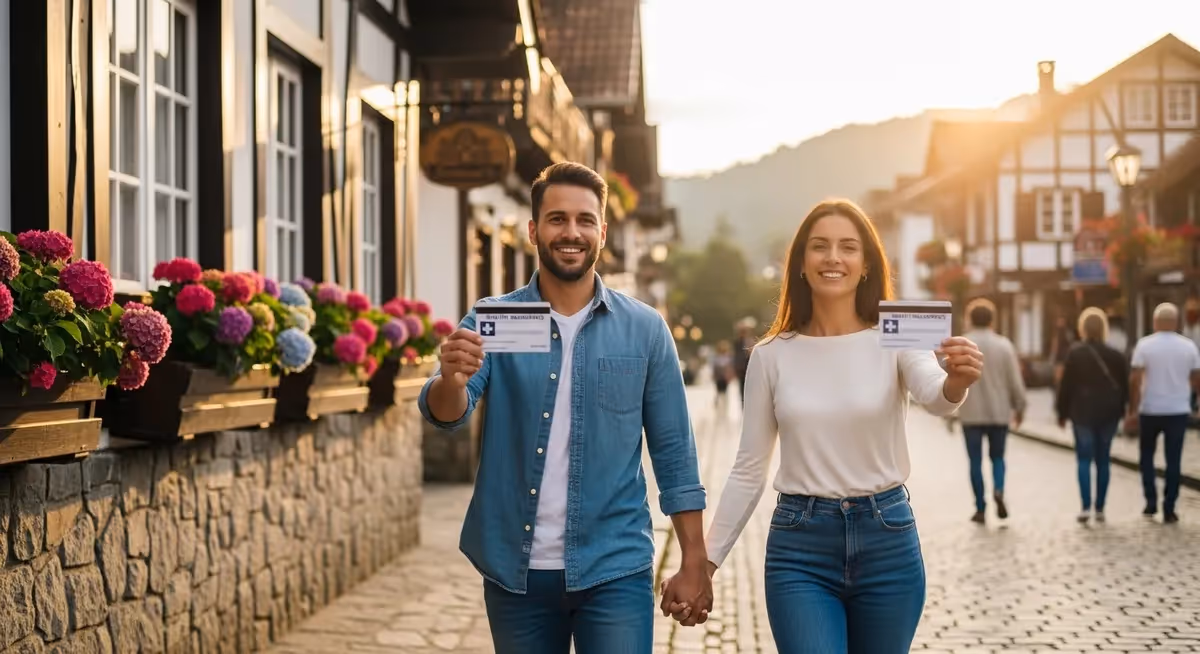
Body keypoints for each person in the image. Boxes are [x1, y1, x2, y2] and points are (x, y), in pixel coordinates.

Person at [662, 199, 983, 653]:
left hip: (887, 540)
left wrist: (956, 381)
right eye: (820, 247)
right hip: (800, 549)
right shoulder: (771, 355)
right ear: (801, 264)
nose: (834, 257)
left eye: (848, 247)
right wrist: (703, 563)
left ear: (867, 264)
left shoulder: (896, 331)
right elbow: (749, 468)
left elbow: (936, 394)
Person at [419, 162, 712, 653]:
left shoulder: (644, 329)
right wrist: (450, 379)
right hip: (516, 572)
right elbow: (449, 412)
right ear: (533, 230)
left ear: (602, 230)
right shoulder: (498, 318)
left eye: (584, 220)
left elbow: (674, 452)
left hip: (614, 566)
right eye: (556, 219)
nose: (570, 232)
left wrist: (694, 558)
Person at [1055, 308, 1128, 523]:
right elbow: (1124, 387)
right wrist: (1123, 410)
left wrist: (1061, 412)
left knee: (1084, 459)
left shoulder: (1075, 354)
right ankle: (1101, 508)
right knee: (1104, 460)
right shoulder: (1116, 355)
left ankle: (1085, 506)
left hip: (1082, 413)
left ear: (1083, 328)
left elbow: (1065, 386)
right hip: (1109, 414)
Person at [1129, 302, 1200, 524]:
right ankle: (1169, 507)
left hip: (1150, 409)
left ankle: (1150, 501)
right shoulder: (1188, 346)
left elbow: (1136, 378)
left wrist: (1133, 408)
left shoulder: (1145, 345)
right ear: (1176, 322)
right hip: (1177, 410)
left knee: (1147, 457)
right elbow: (1197, 378)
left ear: (1155, 322)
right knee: (1174, 460)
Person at [957, 299, 1026, 524]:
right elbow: (1015, 380)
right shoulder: (1004, 345)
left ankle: (980, 507)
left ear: (970, 318)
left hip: (971, 413)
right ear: (992, 319)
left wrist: (949, 412)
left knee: (975, 461)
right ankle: (999, 489)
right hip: (998, 412)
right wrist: (1020, 406)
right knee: (998, 457)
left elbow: (953, 379)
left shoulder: (963, 344)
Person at [732, 319, 755, 404]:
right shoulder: (737, 342)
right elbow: (736, 356)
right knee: (742, 392)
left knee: (750, 392)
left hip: (750, 369)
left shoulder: (751, 341)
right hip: (741, 370)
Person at [711, 340, 735, 416]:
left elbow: (730, 368)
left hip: (724, 378)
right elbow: (714, 368)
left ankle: (723, 405)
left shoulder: (728, 357)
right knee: (718, 391)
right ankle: (718, 404)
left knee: (724, 392)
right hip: (719, 378)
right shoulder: (717, 358)